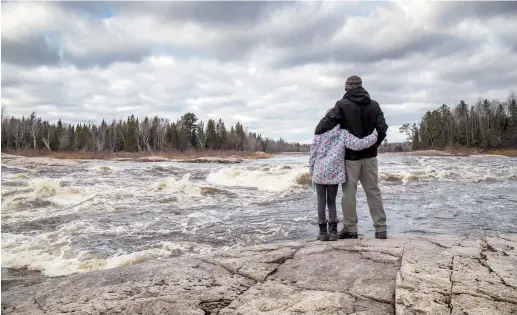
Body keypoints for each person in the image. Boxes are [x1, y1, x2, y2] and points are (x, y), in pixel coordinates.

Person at [315, 75, 389, 239]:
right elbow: (382, 128)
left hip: (350, 158)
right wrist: (373, 146)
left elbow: (321, 127)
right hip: (370, 156)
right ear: (362, 87)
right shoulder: (374, 105)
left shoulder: (342, 105)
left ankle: (350, 229)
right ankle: (381, 228)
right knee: (373, 191)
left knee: (349, 194)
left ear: (347, 88)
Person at [309, 124, 378, 241]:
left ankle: (322, 233)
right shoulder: (342, 133)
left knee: (321, 201)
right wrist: (374, 135)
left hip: (319, 171)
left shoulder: (318, 134)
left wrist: (311, 170)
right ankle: (333, 232)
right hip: (334, 173)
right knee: (331, 202)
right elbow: (358, 144)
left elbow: (312, 155)